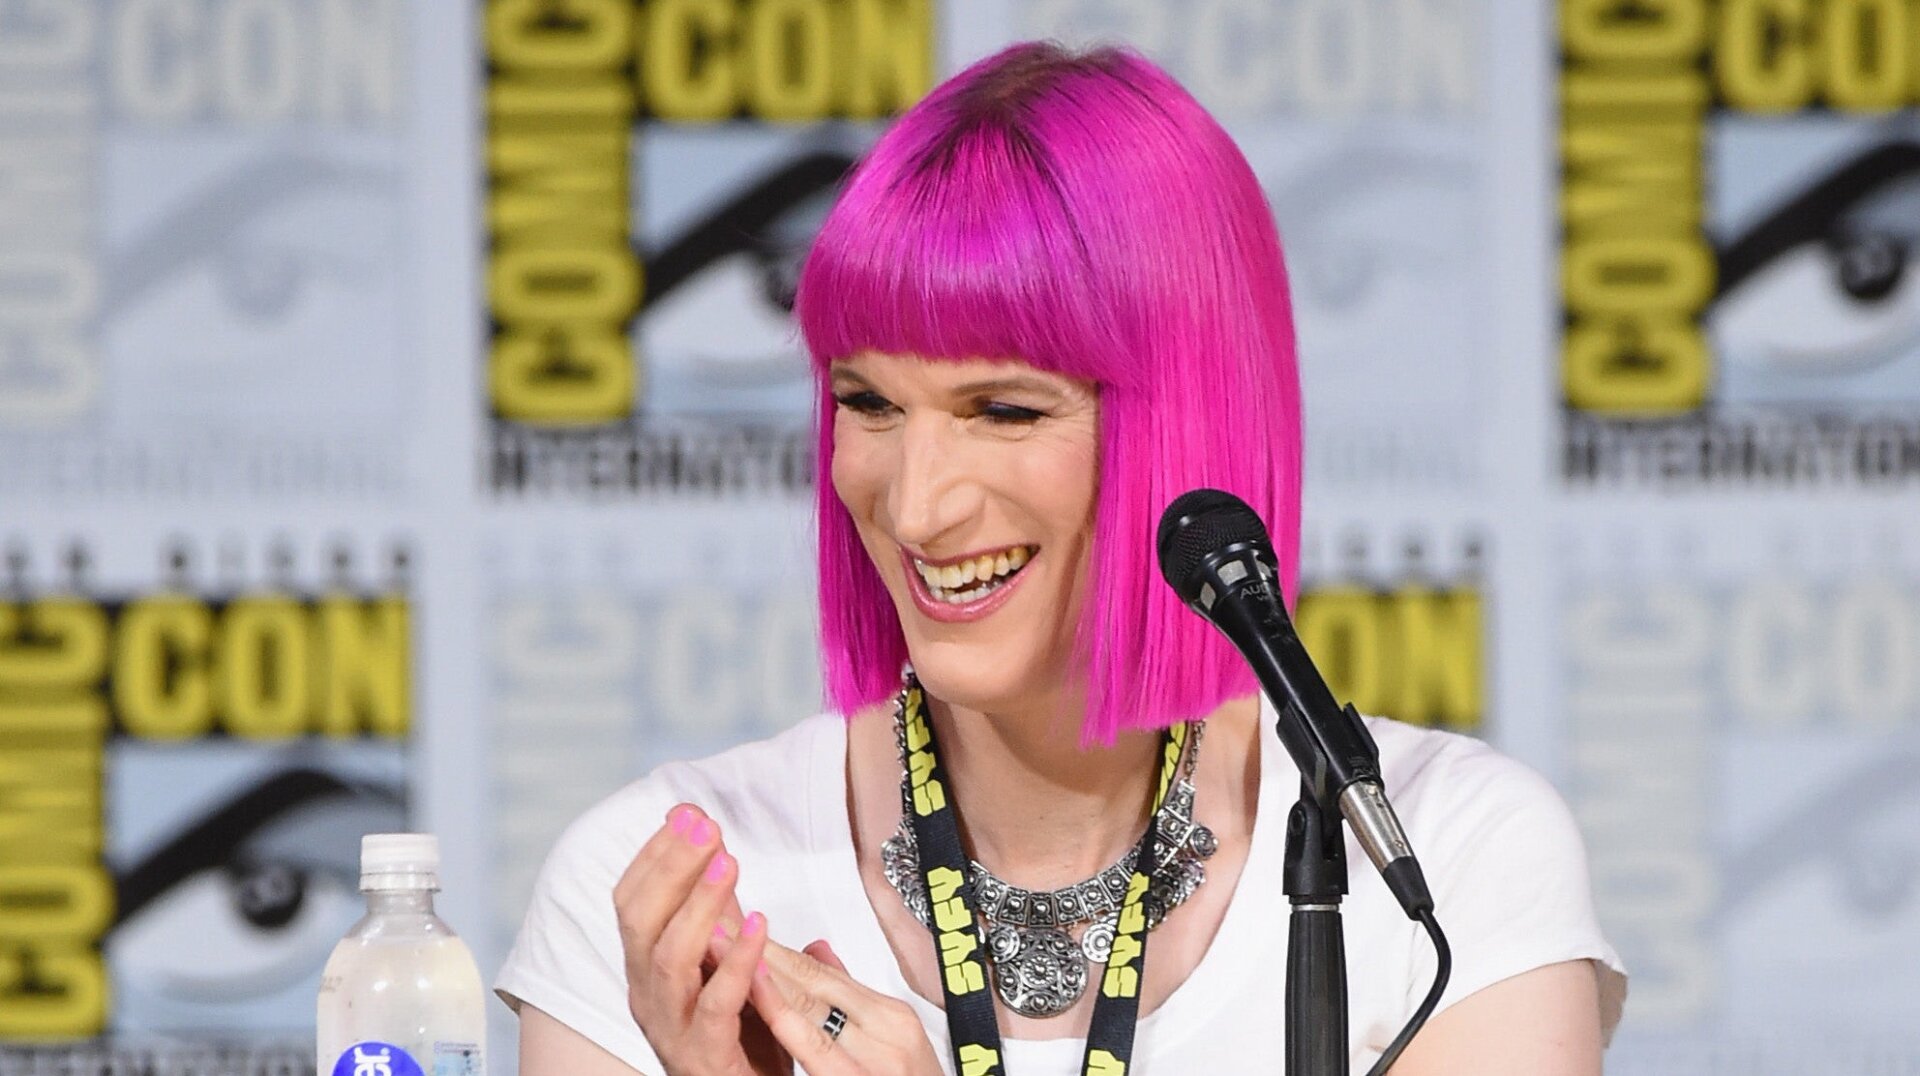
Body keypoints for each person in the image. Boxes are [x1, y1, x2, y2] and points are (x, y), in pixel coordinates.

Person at [496, 42, 1626, 1076]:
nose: (919, 503)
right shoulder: (672, 896)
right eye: (869, 401)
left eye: (1003, 408)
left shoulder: (1448, 857)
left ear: (1187, 422)